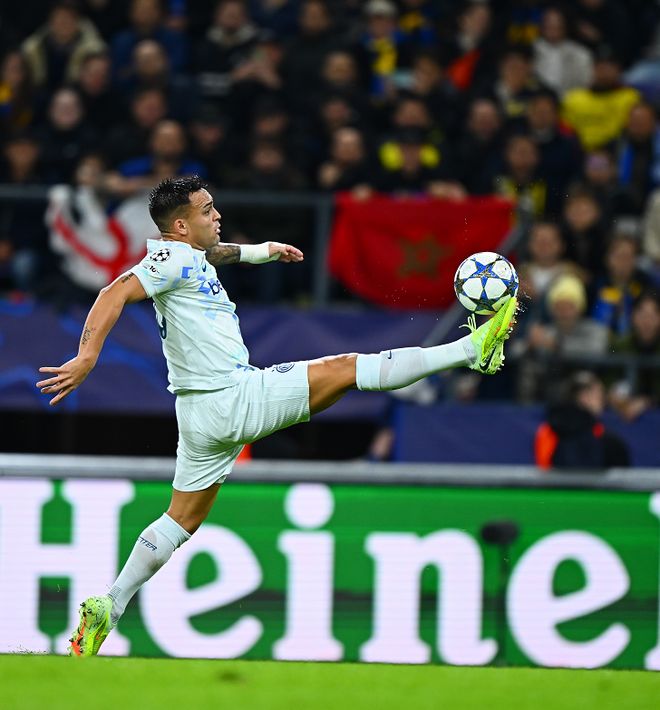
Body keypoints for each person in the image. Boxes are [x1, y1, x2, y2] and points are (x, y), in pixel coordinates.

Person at [35, 175, 519, 656]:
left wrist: (262, 251)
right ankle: (469, 350)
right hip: (230, 396)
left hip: (198, 414)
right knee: (345, 368)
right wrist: (86, 357)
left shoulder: (186, 256)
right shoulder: (168, 260)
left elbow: (215, 254)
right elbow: (113, 292)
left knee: (181, 519)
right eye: (207, 210)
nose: (217, 215)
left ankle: (112, 602)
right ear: (180, 226)